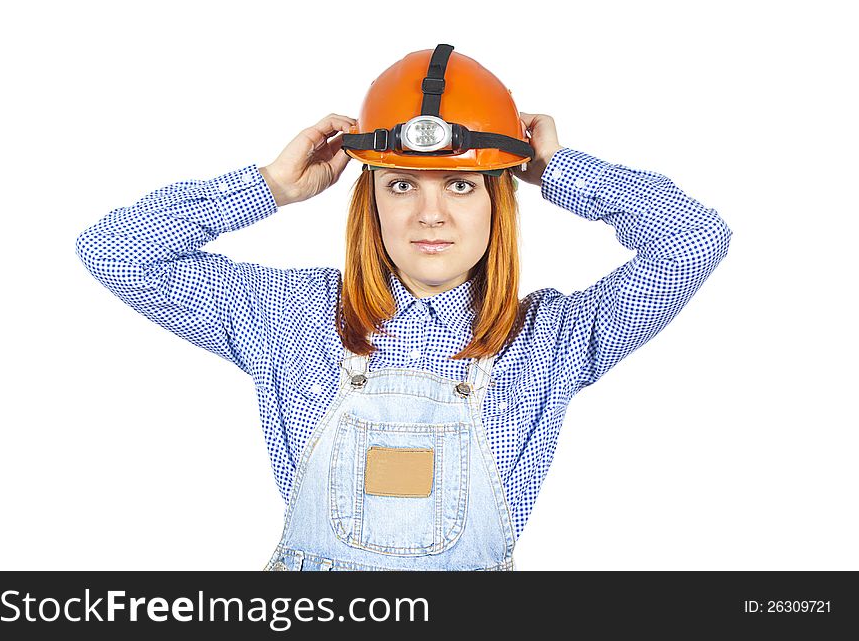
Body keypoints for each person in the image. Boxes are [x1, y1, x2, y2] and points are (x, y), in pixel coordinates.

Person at [75, 44, 732, 571]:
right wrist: (270, 186)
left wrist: (558, 167)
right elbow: (114, 250)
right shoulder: (285, 313)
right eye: (400, 184)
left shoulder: (551, 339)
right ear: (372, 200)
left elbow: (693, 240)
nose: (431, 214)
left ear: (497, 200)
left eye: (460, 184)